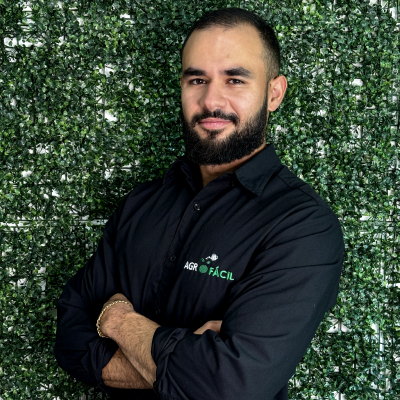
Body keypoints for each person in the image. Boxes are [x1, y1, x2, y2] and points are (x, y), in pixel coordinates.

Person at [54, 7, 344, 400]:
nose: (211, 100)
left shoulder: (304, 226)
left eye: (235, 79)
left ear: (274, 93)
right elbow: (70, 340)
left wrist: (119, 321)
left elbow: (228, 386)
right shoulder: (142, 203)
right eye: (197, 79)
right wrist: (189, 358)